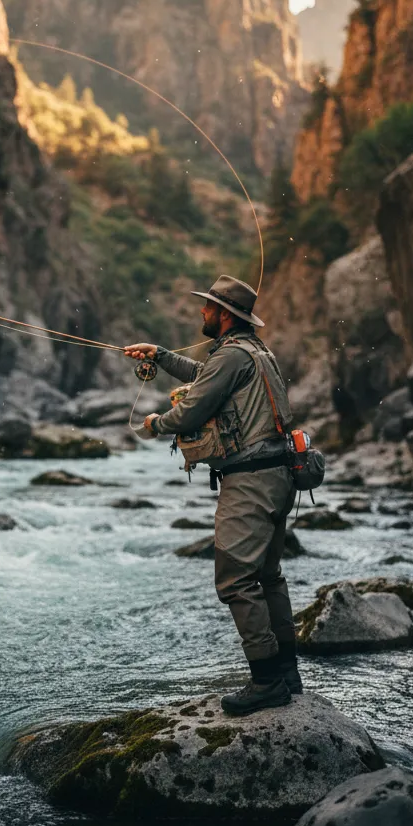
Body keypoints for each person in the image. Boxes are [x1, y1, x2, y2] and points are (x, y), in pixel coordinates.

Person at [123, 274, 301, 715]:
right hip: (279, 475)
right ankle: (287, 674)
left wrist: (154, 425)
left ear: (225, 314)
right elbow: (207, 377)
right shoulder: (254, 352)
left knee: (236, 578)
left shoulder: (232, 357)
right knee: (269, 575)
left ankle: (266, 681)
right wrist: (162, 356)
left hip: (251, 482)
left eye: (208, 307)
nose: (201, 311)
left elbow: (192, 409)